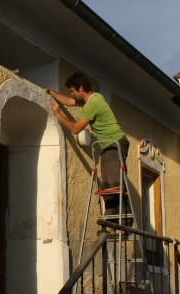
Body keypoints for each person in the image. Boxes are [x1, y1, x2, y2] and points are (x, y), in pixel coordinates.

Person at [46, 73, 129, 217]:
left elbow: (75, 129)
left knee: (113, 185)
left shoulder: (92, 105)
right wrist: (51, 92)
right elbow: (69, 102)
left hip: (113, 145)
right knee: (112, 182)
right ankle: (115, 219)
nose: (72, 94)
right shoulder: (95, 97)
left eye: (73, 91)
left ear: (81, 88)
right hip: (113, 144)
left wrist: (58, 114)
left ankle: (116, 221)